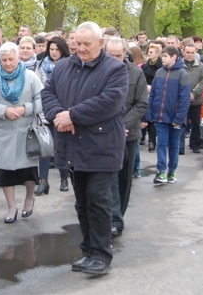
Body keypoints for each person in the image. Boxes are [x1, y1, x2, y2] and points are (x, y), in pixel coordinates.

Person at [41, 21, 128, 276]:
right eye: (77, 44)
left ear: (101, 43)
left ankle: (101, 254)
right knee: (82, 203)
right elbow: (48, 94)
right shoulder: (64, 67)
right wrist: (59, 115)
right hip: (73, 148)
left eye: (86, 44)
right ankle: (88, 250)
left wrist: (73, 116)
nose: (80, 49)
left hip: (102, 147)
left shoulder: (115, 69)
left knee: (98, 202)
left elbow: (109, 102)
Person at [0, 42, 43, 223]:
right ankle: (11, 206)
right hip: (4, 132)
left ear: (18, 58)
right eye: (4, 60)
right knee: (5, 172)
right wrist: (4, 111)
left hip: (27, 130)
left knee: (28, 171)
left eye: (11, 59)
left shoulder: (31, 77)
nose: (8, 63)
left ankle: (29, 198)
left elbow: (43, 100)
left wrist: (24, 109)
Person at [104, 38, 147, 238]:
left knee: (123, 180)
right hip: (104, 133)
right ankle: (113, 219)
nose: (114, 59)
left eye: (118, 56)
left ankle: (118, 215)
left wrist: (123, 126)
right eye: (110, 55)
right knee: (109, 178)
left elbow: (141, 104)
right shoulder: (99, 72)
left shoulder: (136, 73)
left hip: (128, 134)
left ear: (125, 54)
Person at [146, 46, 191, 184]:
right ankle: (161, 171)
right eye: (162, 56)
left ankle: (172, 171)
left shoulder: (182, 74)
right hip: (160, 116)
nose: (163, 58)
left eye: (165, 56)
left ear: (174, 57)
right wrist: (150, 113)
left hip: (175, 117)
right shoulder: (159, 72)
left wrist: (178, 118)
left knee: (174, 145)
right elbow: (152, 94)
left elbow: (184, 99)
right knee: (161, 143)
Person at [33, 36, 71, 195]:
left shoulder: (69, 65)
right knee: (45, 147)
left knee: (61, 147)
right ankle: (43, 181)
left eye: (57, 49)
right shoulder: (41, 65)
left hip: (63, 110)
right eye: (51, 49)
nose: (54, 52)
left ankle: (64, 177)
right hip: (44, 110)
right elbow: (38, 87)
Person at [181, 44, 203, 155]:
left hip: (196, 100)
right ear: (183, 52)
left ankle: (195, 144)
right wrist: (184, 94)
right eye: (188, 52)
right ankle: (179, 146)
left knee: (196, 123)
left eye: (192, 53)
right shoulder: (178, 65)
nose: (190, 55)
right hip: (181, 100)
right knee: (181, 123)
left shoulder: (201, 66)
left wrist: (194, 94)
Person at [141, 43, 162, 151]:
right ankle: (143, 137)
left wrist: (153, 87)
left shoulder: (161, 67)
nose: (149, 54)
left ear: (157, 54)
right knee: (145, 115)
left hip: (157, 93)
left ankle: (152, 141)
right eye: (148, 51)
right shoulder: (145, 66)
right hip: (146, 92)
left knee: (153, 118)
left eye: (151, 52)